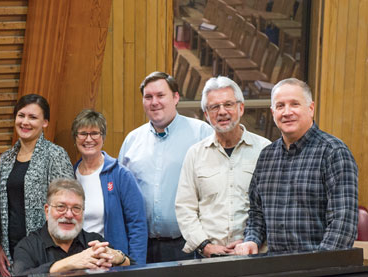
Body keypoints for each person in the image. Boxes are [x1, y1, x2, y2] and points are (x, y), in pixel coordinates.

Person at [234, 78, 358, 255]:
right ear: (272, 112)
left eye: (294, 104)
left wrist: (317, 269)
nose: (287, 112)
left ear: (311, 108)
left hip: (320, 273)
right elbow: (257, 213)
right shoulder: (266, 156)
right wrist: (252, 239)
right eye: (280, 106)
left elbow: (343, 223)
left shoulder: (333, 153)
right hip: (275, 269)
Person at [118, 71, 213, 263]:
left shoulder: (201, 133)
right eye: (148, 97)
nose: (154, 102)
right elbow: (123, 194)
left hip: (189, 245)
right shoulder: (132, 140)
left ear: (176, 97)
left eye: (161, 95)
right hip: (142, 247)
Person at [175, 76, 270, 258]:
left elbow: (272, 206)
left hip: (254, 254)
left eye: (228, 104)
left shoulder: (264, 150)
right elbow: (185, 208)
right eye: (214, 107)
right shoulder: (195, 154)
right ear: (206, 114)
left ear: (240, 108)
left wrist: (252, 241)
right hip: (208, 257)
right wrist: (204, 245)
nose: (222, 112)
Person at [0, 94, 74, 274]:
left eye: (33, 117)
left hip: (45, 252)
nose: (25, 122)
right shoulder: (6, 159)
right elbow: (2, 207)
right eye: (21, 115)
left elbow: (67, 205)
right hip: (11, 251)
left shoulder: (56, 155)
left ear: (45, 122)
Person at [72, 109, 148, 264]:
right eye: (83, 133)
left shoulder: (120, 175)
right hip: (79, 261)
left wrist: (135, 268)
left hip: (113, 263)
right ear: (75, 138)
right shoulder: (69, 176)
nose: (89, 139)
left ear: (103, 137)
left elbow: (137, 225)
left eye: (94, 133)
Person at [12, 178, 132, 275]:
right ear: (47, 210)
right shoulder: (27, 246)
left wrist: (118, 257)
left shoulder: (94, 242)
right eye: (61, 207)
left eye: (76, 208)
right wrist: (70, 263)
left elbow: (132, 269)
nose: (69, 215)